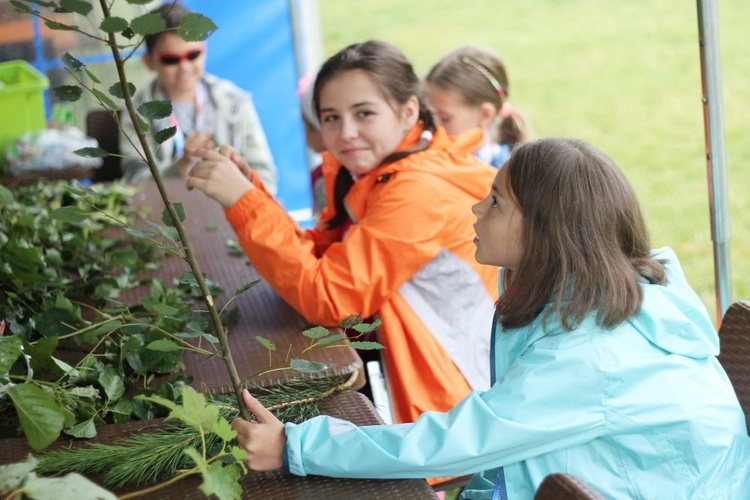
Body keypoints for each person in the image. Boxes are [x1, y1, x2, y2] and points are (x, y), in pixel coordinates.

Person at [229, 138, 750, 499]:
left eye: (496, 202)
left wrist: (298, 445)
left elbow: (461, 441)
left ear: (548, 231)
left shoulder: (596, 354)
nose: (476, 211)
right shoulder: (581, 296)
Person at [187, 40, 499, 424]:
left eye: (364, 113)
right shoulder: (387, 169)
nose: (346, 132)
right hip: (426, 371)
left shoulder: (417, 191)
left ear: (408, 112)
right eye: (331, 118)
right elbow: (324, 254)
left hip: (458, 396)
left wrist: (244, 202)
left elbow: (330, 297)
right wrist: (250, 191)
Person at [119, 2, 278, 193]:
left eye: (193, 55)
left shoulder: (235, 102)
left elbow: (266, 178)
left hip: (233, 212)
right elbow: (135, 184)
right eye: (171, 60)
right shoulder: (138, 111)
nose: (184, 67)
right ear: (149, 61)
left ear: (205, 50)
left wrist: (238, 171)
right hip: (167, 218)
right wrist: (183, 164)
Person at [425, 45, 529, 168]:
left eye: (444, 118)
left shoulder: (502, 177)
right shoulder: (432, 156)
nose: (433, 128)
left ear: (485, 115)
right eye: (429, 116)